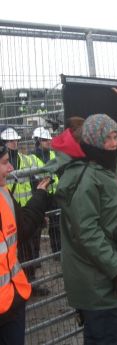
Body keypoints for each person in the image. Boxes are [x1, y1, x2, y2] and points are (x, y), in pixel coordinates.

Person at [50, 84, 117, 344]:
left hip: (108, 281)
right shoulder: (86, 178)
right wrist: (116, 271)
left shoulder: (110, 161)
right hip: (97, 283)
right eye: (108, 138)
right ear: (94, 141)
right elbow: (86, 232)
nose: (114, 143)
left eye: (114, 136)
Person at [0, 141, 51, 345]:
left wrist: (39, 196)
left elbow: (22, 229)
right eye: (4, 162)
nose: (11, 168)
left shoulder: (4, 196)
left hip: (13, 303)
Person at [0, 127, 48, 295]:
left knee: (31, 251)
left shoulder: (26, 160)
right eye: (10, 141)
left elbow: (38, 176)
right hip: (13, 216)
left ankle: (30, 282)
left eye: (16, 140)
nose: (15, 143)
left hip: (25, 213)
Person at [29, 127, 61, 259]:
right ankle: (35, 258)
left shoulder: (53, 155)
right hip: (40, 195)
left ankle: (57, 253)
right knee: (36, 228)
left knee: (56, 226)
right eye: (44, 140)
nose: (48, 141)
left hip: (54, 196)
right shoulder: (31, 158)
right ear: (37, 141)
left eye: (49, 139)